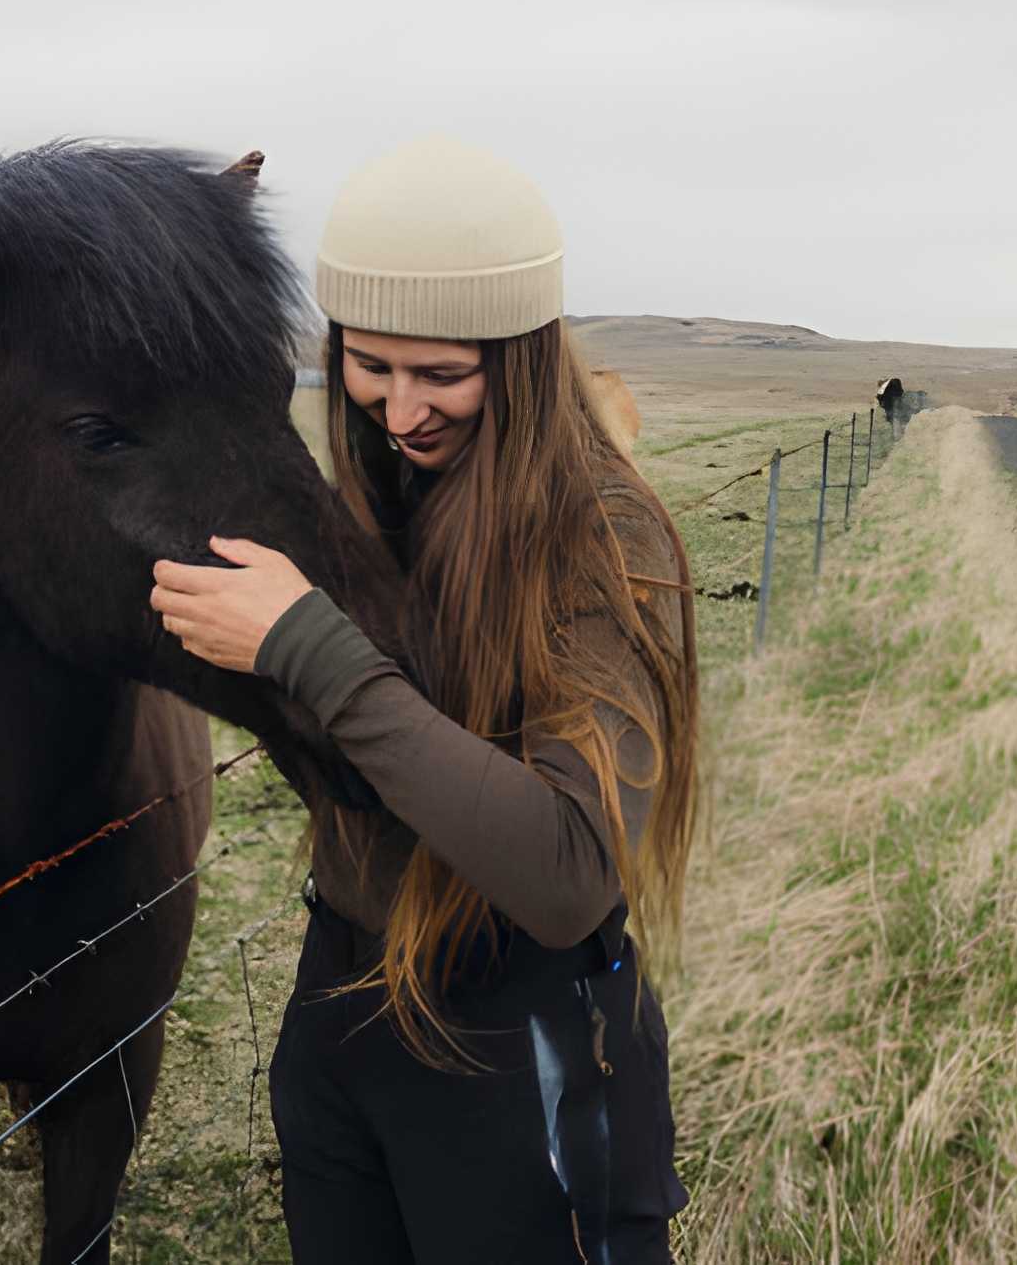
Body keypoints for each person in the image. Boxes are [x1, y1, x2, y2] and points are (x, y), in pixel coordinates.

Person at [150, 136, 699, 1263]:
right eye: (368, 365)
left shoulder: (603, 533)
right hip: (342, 1009)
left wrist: (307, 644)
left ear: (524, 359)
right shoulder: (381, 493)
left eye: (442, 373)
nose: (400, 412)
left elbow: (565, 871)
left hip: (521, 1041)